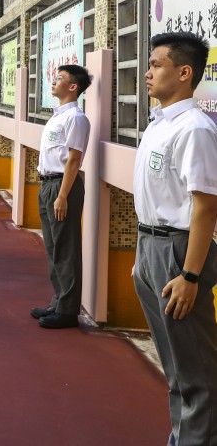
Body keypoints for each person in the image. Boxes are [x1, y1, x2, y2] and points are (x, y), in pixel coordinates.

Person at [132, 32, 217, 446]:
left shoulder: (195, 128)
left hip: (177, 252)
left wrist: (190, 274)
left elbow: (205, 207)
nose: (147, 73)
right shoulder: (161, 123)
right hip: (150, 247)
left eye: (156, 65)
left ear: (185, 73)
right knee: (175, 365)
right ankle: (182, 438)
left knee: (196, 371)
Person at [32, 64, 92, 329]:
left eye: (59, 79)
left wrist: (63, 196)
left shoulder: (76, 118)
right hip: (48, 185)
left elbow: (74, 159)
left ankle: (68, 311)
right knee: (53, 247)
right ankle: (58, 300)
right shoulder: (56, 117)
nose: (53, 82)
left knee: (66, 247)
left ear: (73, 87)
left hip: (62, 186)